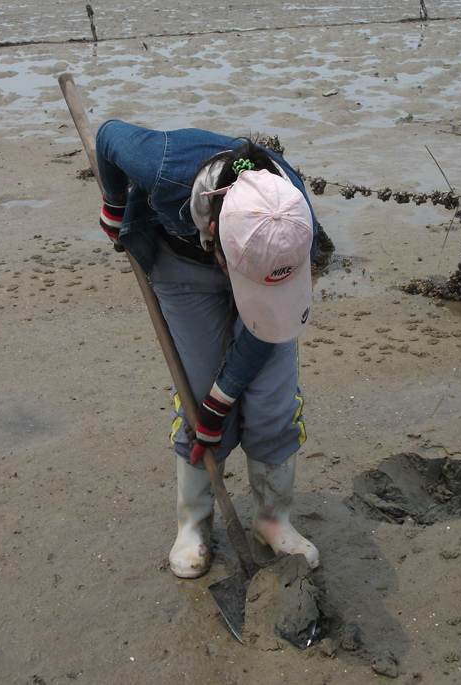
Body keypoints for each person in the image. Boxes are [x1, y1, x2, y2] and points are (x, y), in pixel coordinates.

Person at [95, 120, 321, 579]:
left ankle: (273, 519)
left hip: (262, 268)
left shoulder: (291, 218)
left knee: (273, 400)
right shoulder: (161, 165)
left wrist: (227, 396)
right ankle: (194, 526)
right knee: (199, 399)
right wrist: (114, 207)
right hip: (181, 269)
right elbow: (106, 137)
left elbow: (265, 331)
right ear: (214, 229)